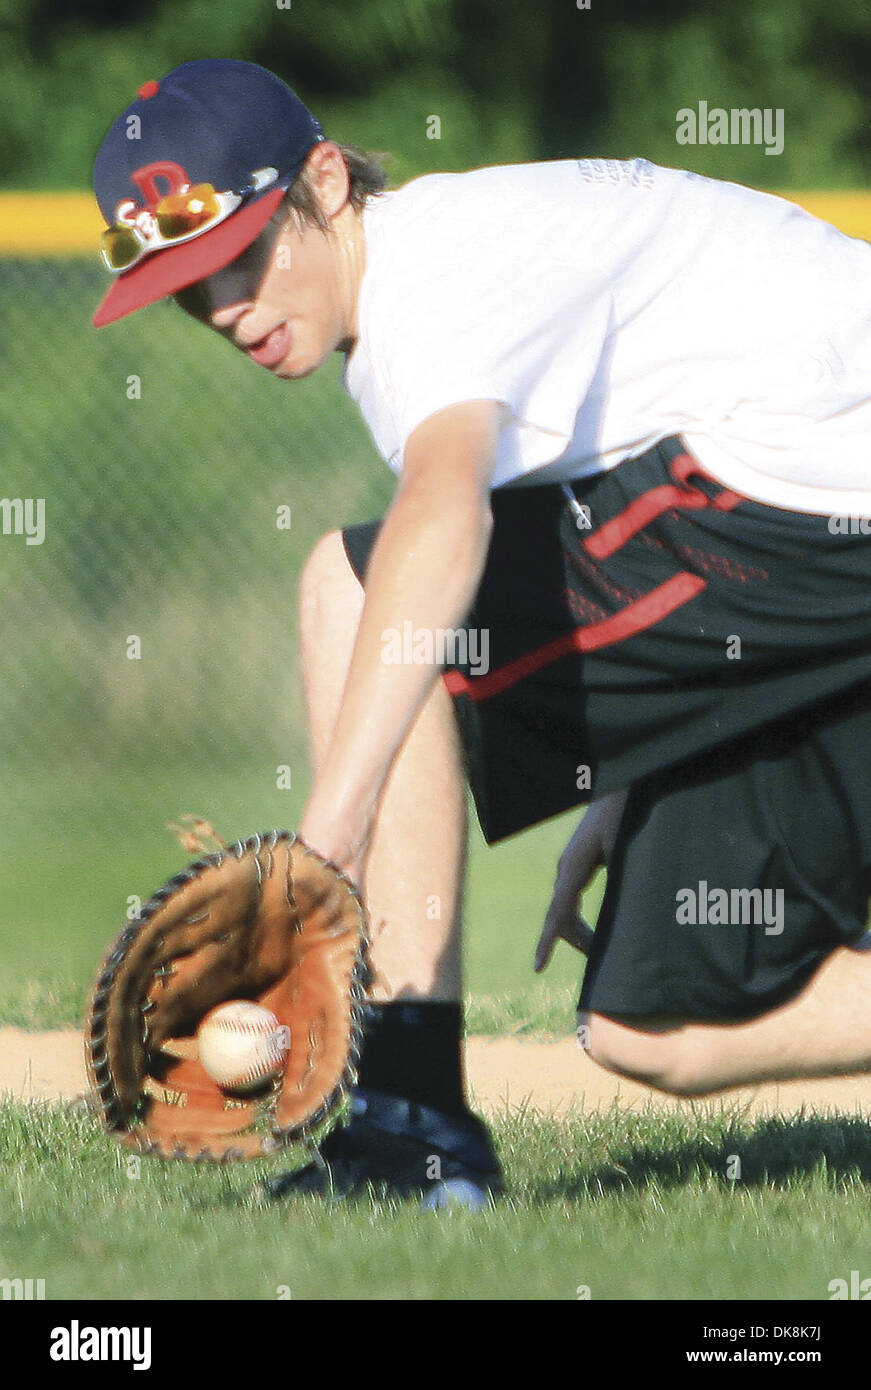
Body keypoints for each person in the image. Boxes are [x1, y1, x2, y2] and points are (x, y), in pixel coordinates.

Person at [92, 59, 871, 1209]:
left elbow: (444, 522)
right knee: (656, 1022)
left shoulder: (434, 279)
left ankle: (413, 1132)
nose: (224, 308)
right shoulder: (454, 269)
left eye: (241, 255)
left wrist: (322, 847)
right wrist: (627, 762)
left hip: (812, 498)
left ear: (325, 180)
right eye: (188, 284)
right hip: (802, 544)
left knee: (351, 586)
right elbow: (628, 458)